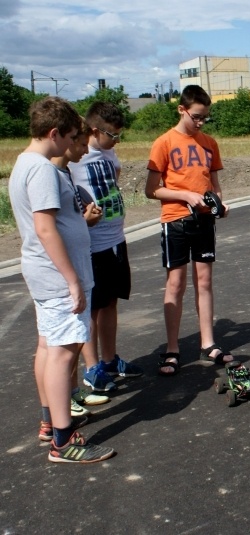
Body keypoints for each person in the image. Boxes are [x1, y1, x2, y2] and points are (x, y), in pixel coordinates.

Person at [9, 96, 115, 463]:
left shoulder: (24, 163)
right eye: (71, 136)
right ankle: (63, 440)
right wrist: (72, 280)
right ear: (53, 133)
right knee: (62, 353)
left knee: (48, 346)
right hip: (57, 278)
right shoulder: (41, 169)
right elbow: (44, 227)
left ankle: (49, 422)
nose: (74, 143)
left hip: (46, 275)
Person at [145, 85, 233, 376]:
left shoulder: (209, 143)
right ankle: (173, 348)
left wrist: (219, 203)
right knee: (176, 284)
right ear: (181, 109)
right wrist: (185, 196)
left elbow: (214, 183)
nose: (201, 123)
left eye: (205, 117)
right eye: (196, 116)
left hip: (204, 221)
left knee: (205, 282)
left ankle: (208, 343)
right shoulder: (164, 143)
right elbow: (151, 190)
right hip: (176, 220)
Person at [69, 102, 143, 392]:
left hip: (115, 238)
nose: (116, 141)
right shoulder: (76, 155)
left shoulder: (108, 151)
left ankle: (110, 360)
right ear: (94, 130)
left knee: (111, 302)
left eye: (118, 136)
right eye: (112, 135)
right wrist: (84, 218)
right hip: (93, 244)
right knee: (92, 309)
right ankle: (92, 367)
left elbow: (116, 175)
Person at [50, 118, 110, 416]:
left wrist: (85, 217)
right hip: (63, 274)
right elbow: (47, 229)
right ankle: (60, 411)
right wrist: (84, 222)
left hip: (78, 266)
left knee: (73, 338)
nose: (86, 150)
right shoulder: (48, 172)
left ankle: (73, 393)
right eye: (82, 143)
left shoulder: (63, 173)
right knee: (64, 344)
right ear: (65, 138)